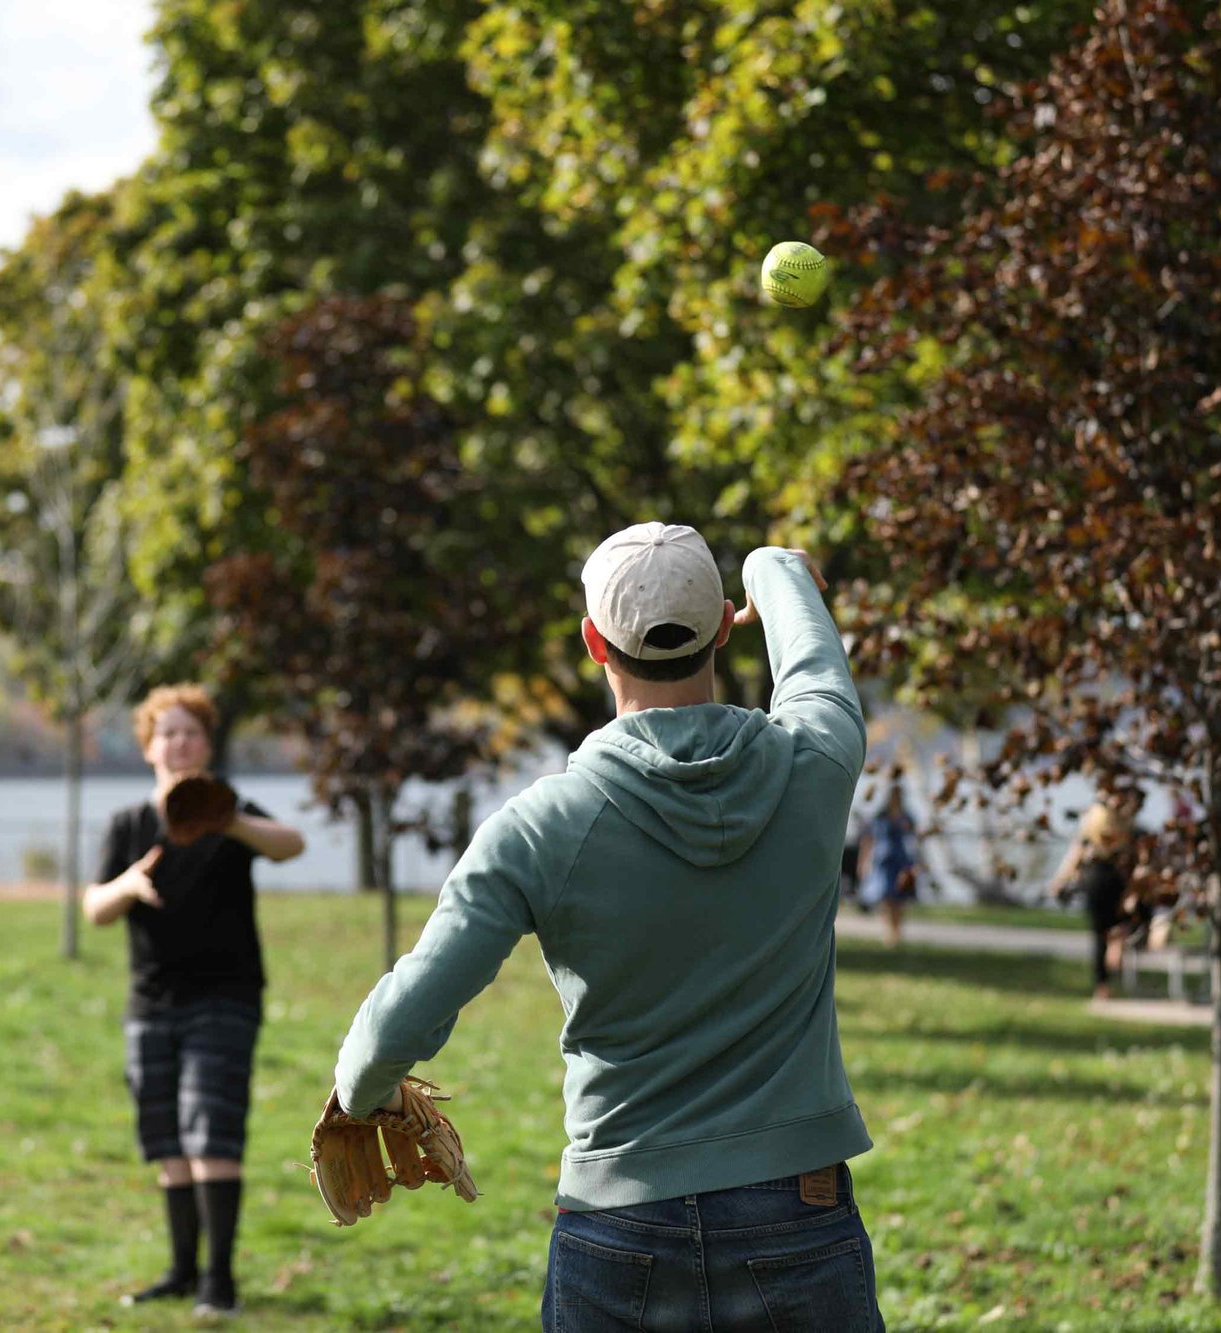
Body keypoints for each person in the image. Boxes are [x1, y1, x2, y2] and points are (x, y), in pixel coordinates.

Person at [331, 525, 883, 1331]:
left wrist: (359, 1092)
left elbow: (401, 1021)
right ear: (725, 628)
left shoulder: (540, 826)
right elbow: (814, 665)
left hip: (620, 1228)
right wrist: (775, 568)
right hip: (797, 1209)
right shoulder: (818, 761)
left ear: (594, 641)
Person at [82, 684, 305, 1320]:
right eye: (167, 733)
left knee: (212, 1132)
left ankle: (219, 1282)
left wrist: (225, 819)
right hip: (151, 1003)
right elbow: (93, 908)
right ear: (149, 747)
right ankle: (181, 1272)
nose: (179, 743)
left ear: (206, 744)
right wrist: (126, 884)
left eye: (191, 733)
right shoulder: (129, 825)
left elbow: (291, 844)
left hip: (225, 997)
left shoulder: (230, 814)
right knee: (167, 1139)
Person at [1049, 795, 1137, 1001]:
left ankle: (1102, 986)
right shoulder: (1127, 827)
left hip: (1094, 879)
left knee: (1099, 935)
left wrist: (1060, 881)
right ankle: (1118, 945)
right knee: (1121, 924)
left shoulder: (1091, 827)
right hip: (1119, 880)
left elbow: (1074, 856)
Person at [857, 782, 919, 945]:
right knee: (885, 897)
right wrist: (863, 862)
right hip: (883, 861)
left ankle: (897, 932)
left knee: (899, 898)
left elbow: (915, 839)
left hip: (901, 861)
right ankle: (888, 932)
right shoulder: (880, 816)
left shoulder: (907, 817)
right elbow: (868, 840)